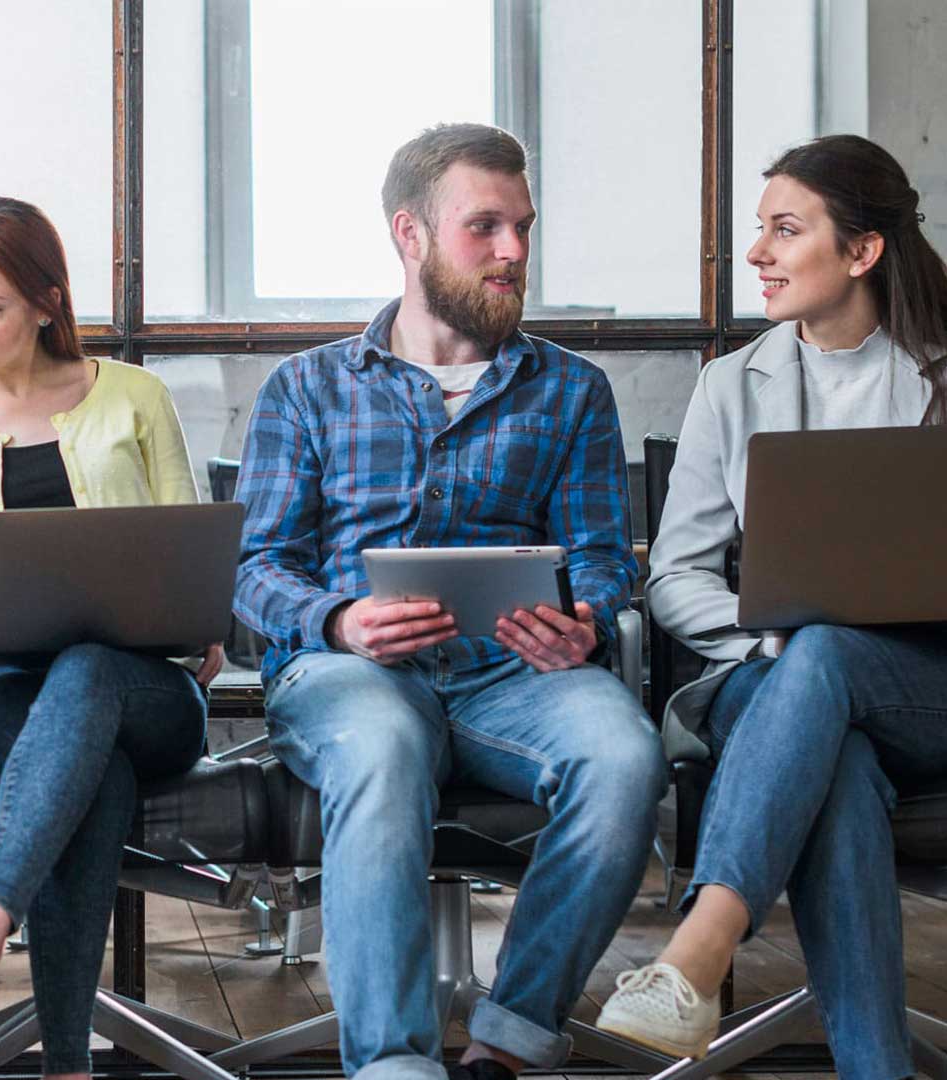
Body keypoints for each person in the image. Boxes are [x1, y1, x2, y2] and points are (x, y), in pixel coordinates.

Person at [606, 134, 947, 1077]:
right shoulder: (732, 383)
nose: (757, 255)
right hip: (767, 670)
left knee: (830, 666)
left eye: (786, 231)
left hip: (936, 683)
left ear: (862, 251)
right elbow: (675, 578)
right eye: (759, 231)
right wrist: (772, 626)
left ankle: (700, 946)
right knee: (834, 735)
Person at [233, 122, 664, 1080]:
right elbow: (256, 567)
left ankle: (508, 1043)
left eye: (522, 227)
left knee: (625, 757)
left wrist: (583, 618)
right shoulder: (305, 390)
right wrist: (340, 620)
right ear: (411, 235)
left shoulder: (573, 391)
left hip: (518, 676)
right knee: (381, 748)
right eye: (485, 228)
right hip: (352, 673)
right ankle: (393, 1065)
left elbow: (602, 559)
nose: (513, 252)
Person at [0, 197, 221, 1080]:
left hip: (143, 691)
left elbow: (195, 558)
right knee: (87, 769)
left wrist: (194, 618)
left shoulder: (135, 398)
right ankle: (68, 1066)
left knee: (91, 669)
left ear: (48, 303)